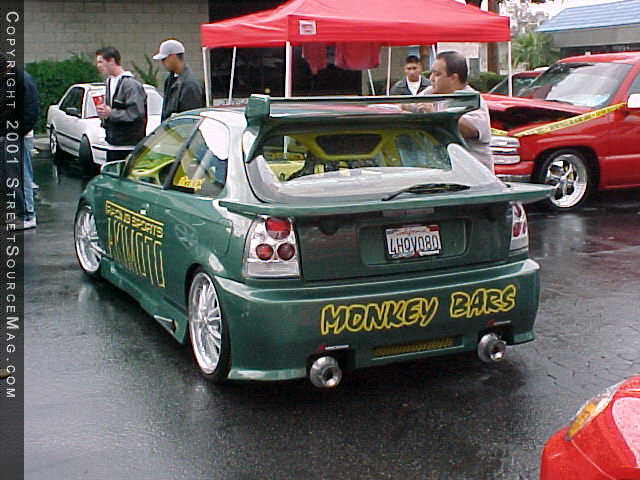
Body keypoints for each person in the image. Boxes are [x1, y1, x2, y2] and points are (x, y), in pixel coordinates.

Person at [415, 51, 493, 172]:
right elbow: (408, 104)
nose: (431, 79)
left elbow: (469, 130)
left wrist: (436, 115)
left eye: (437, 74)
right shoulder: (431, 92)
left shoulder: (471, 99)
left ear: (453, 78)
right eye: (431, 73)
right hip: (444, 172)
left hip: (473, 175)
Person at [0, 52, 39, 230]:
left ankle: (28, 215)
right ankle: (20, 213)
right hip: (9, 135)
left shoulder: (23, 81)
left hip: (19, 136)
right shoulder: (7, 79)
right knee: (11, 177)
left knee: (22, 177)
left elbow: (31, 112)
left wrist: (16, 133)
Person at [95, 47, 147, 162]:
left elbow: (135, 113)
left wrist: (110, 113)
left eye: (100, 62)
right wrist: (104, 115)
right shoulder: (109, 81)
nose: (98, 66)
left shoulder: (131, 84)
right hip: (112, 143)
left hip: (128, 146)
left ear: (112, 61)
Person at [152, 39, 204, 121]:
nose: (162, 62)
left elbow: (190, 120)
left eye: (164, 59)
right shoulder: (170, 80)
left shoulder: (190, 84)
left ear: (173, 57)